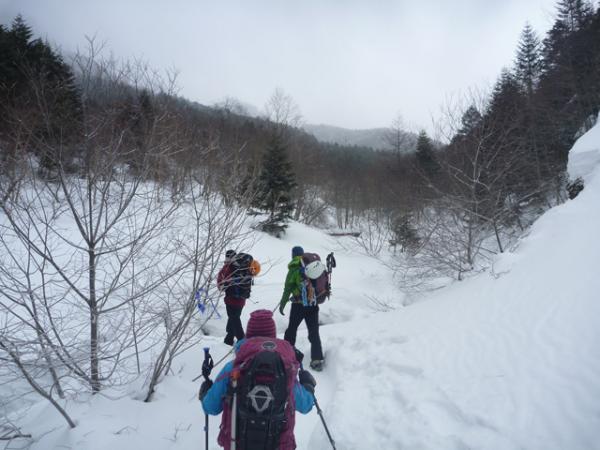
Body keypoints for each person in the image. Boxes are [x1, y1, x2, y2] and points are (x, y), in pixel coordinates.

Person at [200, 310, 316, 450]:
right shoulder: (285, 370)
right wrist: (308, 385)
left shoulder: (232, 368)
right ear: (272, 337)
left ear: (248, 337)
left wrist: (205, 392)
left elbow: (210, 407)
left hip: (237, 444)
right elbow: (305, 405)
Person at [278, 246, 325, 371]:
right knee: (314, 331)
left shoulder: (294, 268)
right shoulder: (313, 266)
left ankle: (286, 355)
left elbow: (287, 288)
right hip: (313, 304)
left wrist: (282, 304)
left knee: (291, 330)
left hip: (298, 305)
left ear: (293, 255)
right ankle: (317, 359)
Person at [217, 250, 257, 346]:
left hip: (230, 299)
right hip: (242, 299)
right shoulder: (245, 267)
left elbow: (220, 285)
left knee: (234, 319)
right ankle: (228, 340)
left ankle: (242, 339)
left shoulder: (227, 268)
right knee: (234, 318)